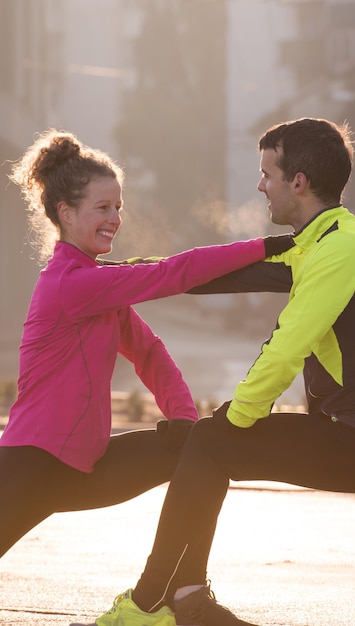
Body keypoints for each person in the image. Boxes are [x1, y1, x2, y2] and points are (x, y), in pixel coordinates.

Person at [93, 117, 355, 626]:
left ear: (299, 182)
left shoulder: (342, 248)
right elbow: (208, 273)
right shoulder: (317, 241)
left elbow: (289, 342)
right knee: (211, 444)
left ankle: (153, 604)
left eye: (267, 173)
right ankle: (184, 601)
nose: (260, 185)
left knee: (210, 442)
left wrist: (238, 416)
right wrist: (106, 275)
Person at [0, 128, 294, 624]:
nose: (115, 218)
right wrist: (265, 247)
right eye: (102, 208)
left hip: (84, 467)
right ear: (66, 214)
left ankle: (186, 596)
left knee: (204, 448)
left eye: (118, 206)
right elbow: (172, 273)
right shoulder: (71, 285)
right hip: (30, 468)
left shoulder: (97, 286)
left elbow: (149, 353)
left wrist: (182, 417)